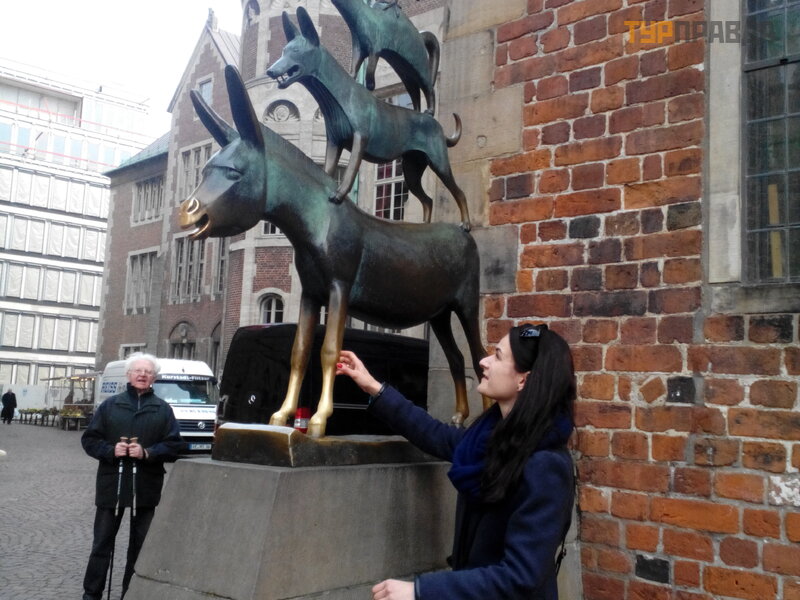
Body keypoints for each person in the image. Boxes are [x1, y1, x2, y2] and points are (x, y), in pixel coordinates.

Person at [336, 323, 576, 600]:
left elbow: (520, 576)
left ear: (523, 380)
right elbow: (435, 434)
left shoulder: (546, 467)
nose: (483, 362)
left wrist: (420, 591)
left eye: (497, 356)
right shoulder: (489, 439)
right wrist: (373, 386)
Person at [81, 353, 185, 600]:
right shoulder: (110, 406)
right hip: (112, 483)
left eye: (147, 372)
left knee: (139, 546)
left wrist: (148, 452)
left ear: (154, 378)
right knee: (102, 544)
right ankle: (91, 594)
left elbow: (175, 445)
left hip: (146, 486)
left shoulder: (162, 409)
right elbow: (89, 440)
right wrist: (110, 451)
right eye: (138, 370)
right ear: (129, 375)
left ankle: (131, 593)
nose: (142, 375)